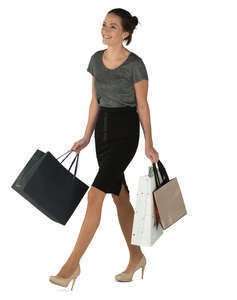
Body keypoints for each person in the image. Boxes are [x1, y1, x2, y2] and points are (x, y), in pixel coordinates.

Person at [49, 8, 159, 289]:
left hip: (125, 132)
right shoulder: (95, 61)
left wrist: (149, 142)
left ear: (125, 33)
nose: (105, 30)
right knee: (119, 197)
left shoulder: (136, 64)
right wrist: (86, 136)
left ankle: (71, 265)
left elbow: (143, 105)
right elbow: (95, 102)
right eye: (103, 25)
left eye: (112, 26)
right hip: (103, 133)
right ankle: (136, 257)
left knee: (95, 195)